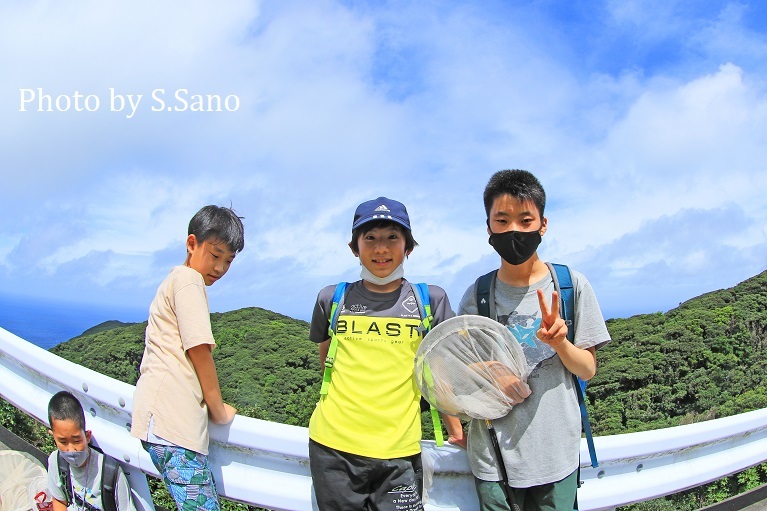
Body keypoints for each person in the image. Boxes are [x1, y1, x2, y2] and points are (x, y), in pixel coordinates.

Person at [458, 170, 611, 511]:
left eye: (526, 220)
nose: (514, 230)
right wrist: (485, 371)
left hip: (556, 456)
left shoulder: (570, 285)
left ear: (543, 225)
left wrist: (561, 342)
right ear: (488, 228)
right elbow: (462, 374)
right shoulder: (477, 296)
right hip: (493, 458)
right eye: (502, 220)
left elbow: (587, 370)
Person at [308, 197, 462, 511]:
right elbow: (328, 362)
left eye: (392, 237)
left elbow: (439, 372)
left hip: (400, 452)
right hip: (332, 448)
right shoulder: (332, 299)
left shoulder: (430, 301)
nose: (381, 249)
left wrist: (456, 429)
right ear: (355, 247)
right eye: (370, 238)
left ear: (408, 247)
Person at [130, 205, 244, 511]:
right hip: (173, 427)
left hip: (159, 422)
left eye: (229, 261)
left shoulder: (174, 279)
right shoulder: (189, 281)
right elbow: (199, 350)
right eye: (215, 254)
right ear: (191, 243)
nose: (220, 267)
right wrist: (218, 410)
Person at [47, 390, 136, 511]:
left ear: (87, 436)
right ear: (54, 437)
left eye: (77, 441)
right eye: (63, 442)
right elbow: (59, 500)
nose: (71, 449)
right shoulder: (56, 462)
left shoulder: (110, 473)